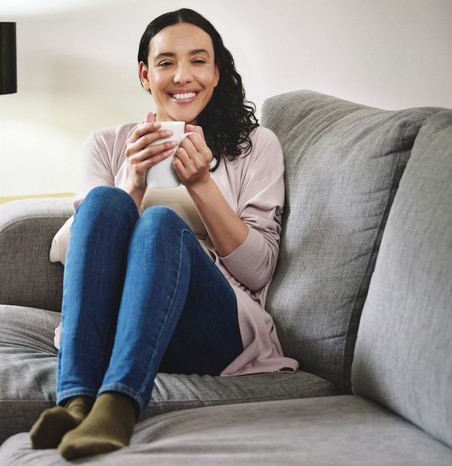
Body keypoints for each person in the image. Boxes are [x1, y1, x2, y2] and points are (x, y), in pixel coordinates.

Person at [29, 8, 298, 460]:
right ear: (144, 74)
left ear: (215, 72)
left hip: (215, 329)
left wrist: (201, 185)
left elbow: (258, 272)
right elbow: (73, 251)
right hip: (121, 322)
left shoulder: (257, 146)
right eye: (166, 62)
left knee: (159, 224)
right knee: (106, 201)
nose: (182, 76)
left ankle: (117, 404)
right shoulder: (108, 143)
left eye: (197, 61)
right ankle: (76, 403)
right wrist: (131, 181)